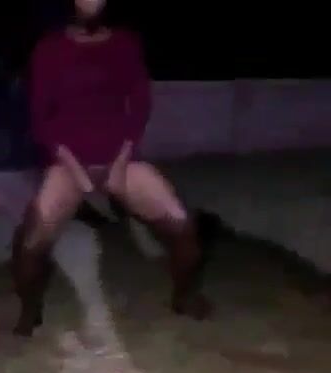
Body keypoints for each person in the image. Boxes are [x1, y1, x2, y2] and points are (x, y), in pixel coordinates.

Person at [11, 0, 212, 336]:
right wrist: (77, 174)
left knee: (183, 227)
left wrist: (120, 164)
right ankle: (29, 311)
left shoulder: (124, 43)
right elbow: (40, 118)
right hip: (68, 163)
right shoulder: (49, 48)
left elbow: (140, 105)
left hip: (120, 159)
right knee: (31, 242)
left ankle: (184, 297)